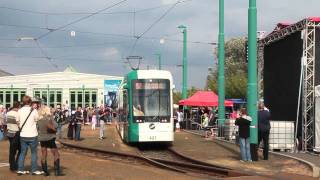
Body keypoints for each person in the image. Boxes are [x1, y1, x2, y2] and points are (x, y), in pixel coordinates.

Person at [17, 96, 42, 175]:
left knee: (22, 152)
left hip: (23, 134)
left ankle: (20, 169)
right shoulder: (34, 111)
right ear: (30, 102)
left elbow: (17, 121)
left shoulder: (19, 111)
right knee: (34, 153)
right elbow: (37, 119)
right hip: (32, 134)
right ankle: (34, 170)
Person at [37, 106, 62, 176]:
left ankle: (45, 172)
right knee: (56, 154)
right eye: (49, 110)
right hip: (50, 138)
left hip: (42, 139)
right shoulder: (49, 119)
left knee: (44, 154)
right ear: (46, 111)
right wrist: (52, 118)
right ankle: (57, 172)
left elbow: (38, 129)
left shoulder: (39, 120)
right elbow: (56, 126)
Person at [6, 102, 21, 172]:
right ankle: (16, 165)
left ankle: (12, 165)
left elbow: (5, 122)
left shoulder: (8, 113)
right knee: (21, 150)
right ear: (18, 106)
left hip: (9, 133)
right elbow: (19, 124)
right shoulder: (17, 114)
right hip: (16, 133)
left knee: (12, 151)